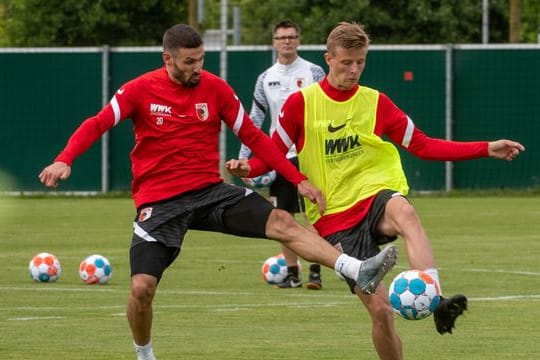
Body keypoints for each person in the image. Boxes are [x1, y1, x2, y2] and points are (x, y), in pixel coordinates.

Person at [38, 24, 399, 360]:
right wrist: (65, 158)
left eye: (201, 60)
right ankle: (144, 354)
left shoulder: (215, 88)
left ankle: (356, 267)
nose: (197, 68)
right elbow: (98, 122)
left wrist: (296, 177)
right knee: (141, 289)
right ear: (168, 59)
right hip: (160, 202)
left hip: (209, 192)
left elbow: (255, 137)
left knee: (282, 221)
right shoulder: (139, 90)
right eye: (189, 62)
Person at [226, 22, 525, 359]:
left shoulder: (376, 102)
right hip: (334, 218)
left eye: (361, 62)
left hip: (374, 195)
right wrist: (247, 168)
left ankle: (436, 299)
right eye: (346, 63)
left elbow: (424, 146)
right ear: (328, 59)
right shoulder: (300, 105)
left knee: (405, 212)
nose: (354, 70)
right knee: (382, 313)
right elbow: (272, 153)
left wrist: (486, 148)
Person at [239, 20, 326, 290]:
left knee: (313, 214)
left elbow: (326, 108)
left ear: (299, 40)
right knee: (282, 216)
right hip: (279, 156)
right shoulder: (265, 78)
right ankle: (292, 274)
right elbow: (255, 119)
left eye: (291, 37)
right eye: (281, 37)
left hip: (309, 153)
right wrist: (245, 156)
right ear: (274, 42)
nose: (286, 41)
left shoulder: (314, 72)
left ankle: (315, 271)